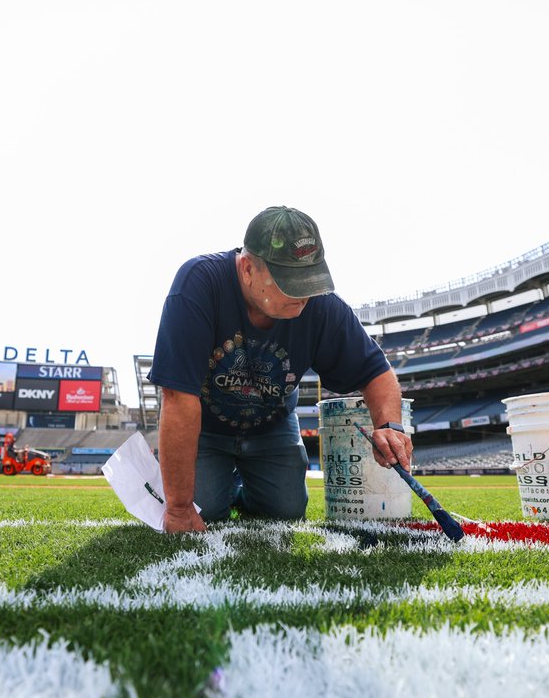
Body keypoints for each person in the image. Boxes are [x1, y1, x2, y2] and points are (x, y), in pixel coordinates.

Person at [148, 205, 413, 534]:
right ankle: (219, 489)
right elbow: (176, 395)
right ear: (247, 269)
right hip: (205, 429)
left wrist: (389, 425)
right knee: (204, 507)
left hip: (272, 426)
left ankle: (243, 495)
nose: (304, 295)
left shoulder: (323, 305)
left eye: (310, 279)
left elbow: (377, 372)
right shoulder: (198, 283)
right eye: (290, 282)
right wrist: (178, 507)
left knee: (285, 512)